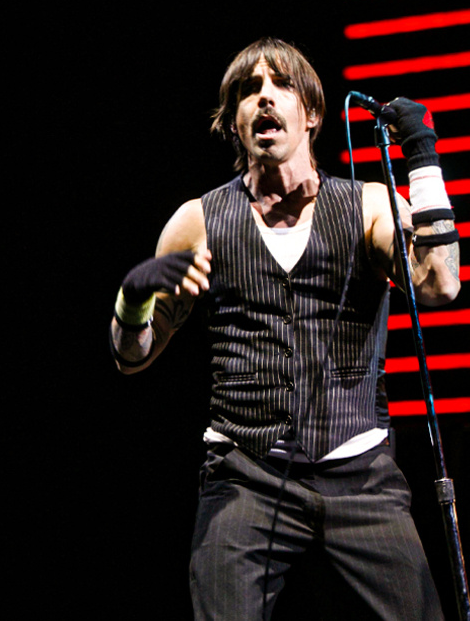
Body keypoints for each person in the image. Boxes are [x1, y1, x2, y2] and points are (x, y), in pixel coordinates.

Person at [110, 38, 460, 619]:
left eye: (281, 86)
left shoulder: (369, 205)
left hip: (361, 472)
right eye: (249, 91)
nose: (264, 98)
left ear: (313, 114)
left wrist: (421, 159)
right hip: (247, 473)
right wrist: (135, 298)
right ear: (234, 122)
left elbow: (440, 285)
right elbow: (132, 357)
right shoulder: (198, 220)